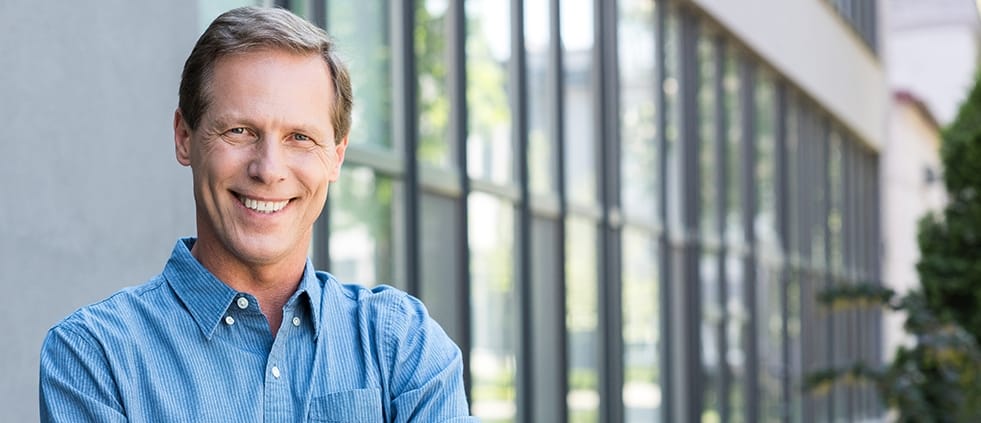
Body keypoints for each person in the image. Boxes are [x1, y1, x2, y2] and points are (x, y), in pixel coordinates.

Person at [39, 7, 475, 422]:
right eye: (240, 131)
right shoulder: (95, 356)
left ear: (336, 157)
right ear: (184, 137)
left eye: (300, 137)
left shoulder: (400, 344)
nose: (268, 170)